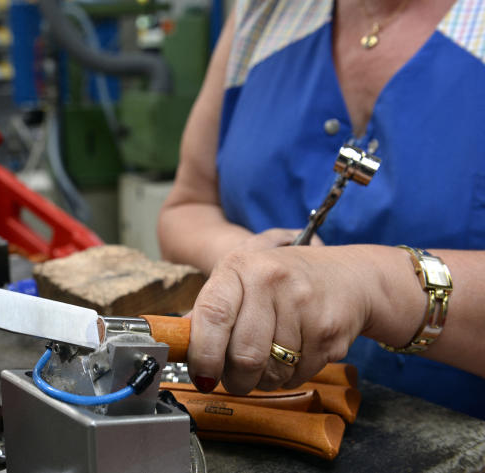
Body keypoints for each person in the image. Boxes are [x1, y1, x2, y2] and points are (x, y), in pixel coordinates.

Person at [157, 0, 485, 419]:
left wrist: (374, 286)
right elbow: (187, 206)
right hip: (257, 420)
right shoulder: (262, 12)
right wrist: (258, 267)